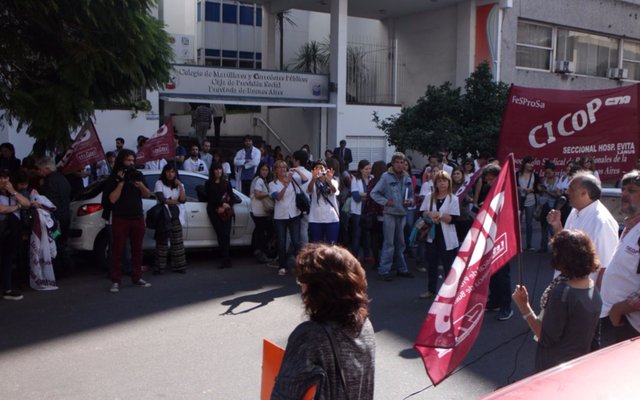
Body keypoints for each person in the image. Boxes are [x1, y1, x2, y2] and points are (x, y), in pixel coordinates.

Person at [272, 243, 375, 400]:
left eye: (302, 282)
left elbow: (283, 394)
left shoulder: (310, 336)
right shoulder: (365, 325)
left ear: (318, 290)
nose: (301, 288)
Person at [513, 229, 602, 372]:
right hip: (580, 364)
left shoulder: (563, 293)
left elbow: (546, 337)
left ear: (562, 259)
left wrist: (524, 306)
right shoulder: (593, 287)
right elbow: (594, 336)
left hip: (555, 367)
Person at [547, 171, 619, 287]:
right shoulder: (575, 211)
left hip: (583, 296)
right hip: (565, 287)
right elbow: (565, 245)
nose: (567, 192)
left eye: (571, 189)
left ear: (584, 193)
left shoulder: (602, 222)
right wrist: (557, 225)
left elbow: (606, 268)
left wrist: (596, 301)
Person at [102, 149, 153, 293]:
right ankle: (116, 280)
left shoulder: (138, 175)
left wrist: (140, 185)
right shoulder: (114, 178)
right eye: (128, 160)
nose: (131, 163)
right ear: (121, 161)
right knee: (118, 250)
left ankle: (137, 277)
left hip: (137, 217)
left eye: (133, 161)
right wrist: (120, 182)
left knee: (137, 249)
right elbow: (111, 199)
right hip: (120, 218)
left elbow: (148, 194)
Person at [600, 170, 640, 347]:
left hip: (631, 325)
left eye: (631, 190)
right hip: (618, 319)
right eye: (623, 189)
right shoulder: (630, 225)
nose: (623, 194)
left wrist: (620, 309)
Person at [370, 152, 415, 281]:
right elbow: (374, 193)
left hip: (402, 213)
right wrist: (385, 201)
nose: (400, 165)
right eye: (397, 162)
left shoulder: (407, 178)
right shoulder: (386, 177)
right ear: (393, 163)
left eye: (402, 162)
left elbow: (411, 195)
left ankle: (402, 269)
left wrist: (410, 201)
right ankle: (384, 270)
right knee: (389, 243)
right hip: (389, 214)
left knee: (400, 243)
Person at [418, 170, 460, 299]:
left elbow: (454, 219)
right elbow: (422, 212)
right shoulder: (429, 197)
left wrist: (440, 215)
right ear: (435, 183)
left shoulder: (454, 199)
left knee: (448, 265)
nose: (442, 184)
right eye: (439, 181)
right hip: (432, 235)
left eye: (445, 181)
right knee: (432, 264)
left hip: (446, 236)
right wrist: (429, 214)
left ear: (449, 183)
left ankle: (449, 292)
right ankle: (431, 290)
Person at [481, 164, 514, 321]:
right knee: (491, 272)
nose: (489, 183)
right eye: (487, 180)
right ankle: (494, 300)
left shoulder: (508, 193)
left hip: (504, 237)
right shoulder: (488, 191)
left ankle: (506, 306)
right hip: (489, 236)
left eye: (491, 179)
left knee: (503, 274)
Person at [36, 157, 73, 278]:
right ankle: (66, 267)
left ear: (46, 169)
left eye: (40, 169)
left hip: (55, 220)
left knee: (54, 242)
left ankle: (60, 269)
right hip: (65, 217)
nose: (38, 172)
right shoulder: (62, 178)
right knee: (62, 242)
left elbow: (49, 202)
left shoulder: (49, 181)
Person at [0, 169, 31, 300]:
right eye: (1, 179)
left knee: (7, 260)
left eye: (6, 179)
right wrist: (17, 207)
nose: (4, 182)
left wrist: (13, 192)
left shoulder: (11, 193)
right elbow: (2, 209)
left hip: (11, 232)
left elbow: (27, 204)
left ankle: (7, 289)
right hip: (2, 230)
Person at [269, 160, 302, 276]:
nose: (283, 169)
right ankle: (282, 266)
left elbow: (305, 180)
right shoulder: (272, 184)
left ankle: (300, 266)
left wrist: (297, 170)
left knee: (296, 242)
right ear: (276, 170)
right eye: (280, 167)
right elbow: (277, 197)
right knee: (282, 241)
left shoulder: (293, 180)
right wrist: (285, 185)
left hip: (294, 214)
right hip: (280, 216)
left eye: (285, 167)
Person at [153, 164, 187, 274]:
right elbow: (162, 199)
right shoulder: (159, 183)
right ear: (164, 172)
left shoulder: (179, 184)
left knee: (177, 243)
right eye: (168, 171)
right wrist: (176, 202)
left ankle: (179, 266)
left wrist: (180, 186)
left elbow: (183, 199)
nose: (170, 174)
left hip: (176, 216)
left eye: (173, 172)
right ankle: (160, 268)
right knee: (162, 243)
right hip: (164, 216)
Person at [205, 162, 238, 269]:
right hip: (214, 211)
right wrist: (220, 204)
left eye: (220, 169)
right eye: (216, 169)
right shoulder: (208, 183)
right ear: (212, 171)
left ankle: (227, 259)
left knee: (226, 235)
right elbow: (210, 198)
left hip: (226, 212)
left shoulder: (226, 183)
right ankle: (224, 259)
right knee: (220, 235)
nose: (218, 171)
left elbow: (232, 198)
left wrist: (226, 205)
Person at [307, 160, 340, 244]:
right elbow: (309, 190)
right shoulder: (312, 182)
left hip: (331, 217)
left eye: (321, 168)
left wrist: (328, 180)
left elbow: (334, 190)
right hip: (315, 218)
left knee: (331, 244)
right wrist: (313, 179)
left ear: (326, 169)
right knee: (316, 245)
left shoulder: (333, 181)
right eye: (316, 168)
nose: (319, 170)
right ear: (313, 170)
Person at [249, 162, 274, 264]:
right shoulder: (259, 180)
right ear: (259, 170)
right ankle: (260, 253)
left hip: (260, 211)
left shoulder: (261, 180)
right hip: (258, 211)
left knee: (260, 232)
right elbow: (258, 194)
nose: (265, 172)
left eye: (266, 170)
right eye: (263, 170)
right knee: (264, 232)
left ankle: (258, 251)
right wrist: (270, 194)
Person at [350, 160, 373, 261]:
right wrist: (366, 195)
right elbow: (356, 197)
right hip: (357, 212)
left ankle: (367, 255)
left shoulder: (372, 179)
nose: (368, 171)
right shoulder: (355, 179)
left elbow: (374, 196)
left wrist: (363, 194)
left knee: (367, 235)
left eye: (370, 168)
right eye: (366, 169)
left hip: (369, 211)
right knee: (357, 234)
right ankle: (354, 256)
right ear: (361, 169)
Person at [537, 161, 560, 253]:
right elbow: (540, 191)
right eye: (546, 173)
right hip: (544, 205)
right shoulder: (544, 179)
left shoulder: (558, 180)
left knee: (552, 228)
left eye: (549, 173)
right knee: (543, 226)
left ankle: (556, 248)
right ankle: (543, 247)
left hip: (553, 205)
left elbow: (557, 195)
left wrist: (547, 191)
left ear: (554, 172)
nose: (548, 174)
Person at [517, 155, 539, 251]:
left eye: (532, 163)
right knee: (518, 223)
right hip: (519, 200)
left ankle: (529, 244)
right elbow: (513, 185)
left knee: (529, 223)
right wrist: (520, 188)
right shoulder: (518, 174)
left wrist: (532, 189)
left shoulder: (535, 175)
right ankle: (517, 244)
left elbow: (538, 188)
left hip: (530, 200)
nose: (531, 165)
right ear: (524, 164)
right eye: (529, 163)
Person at [291, 150, 312, 245]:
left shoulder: (292, 174)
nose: (292, 160)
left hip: (293, 205)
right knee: (304, 231)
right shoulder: (310, 174)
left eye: (293, 159)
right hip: (306, 204)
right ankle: (305, 253)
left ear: (297, 161)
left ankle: (290, 254)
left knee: (291, 232)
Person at [451, 166, 473, 243]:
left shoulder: (466, 186)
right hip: (452, 217)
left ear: (462, 175)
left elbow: (471, 200)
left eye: (458, 174)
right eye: (454, 174)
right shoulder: (449, 186)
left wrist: (465, 195)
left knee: (463, 240)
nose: (456, 175)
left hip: (464, 217)